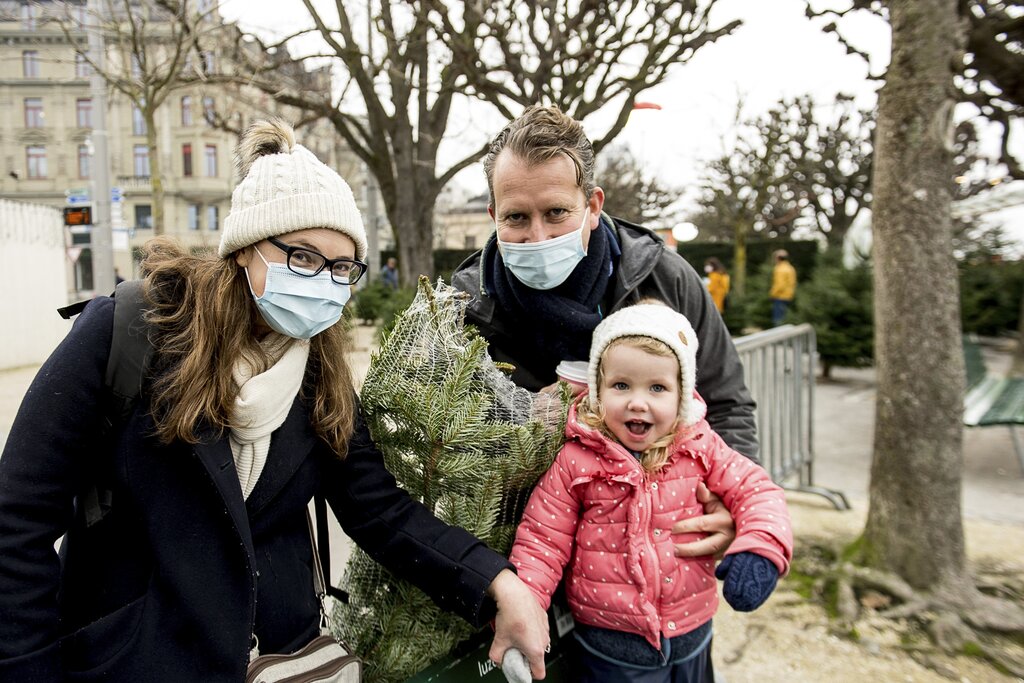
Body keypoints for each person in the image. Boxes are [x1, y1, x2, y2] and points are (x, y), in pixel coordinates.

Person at [0, 119, 548, 682]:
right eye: (303, 257)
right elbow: (18, 521)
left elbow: (378, 508)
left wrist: (495, 584)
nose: (324, 282)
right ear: (246, 249)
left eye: (341, 268)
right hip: (135, 660)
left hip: (274, 662)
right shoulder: (134, 332)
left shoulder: (318, 372)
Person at [451, 105, 759, 680]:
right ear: (492, 214)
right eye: (516, 217)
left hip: (655, 588)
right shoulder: (465, 309)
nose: (536, 236)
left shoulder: (663, 280)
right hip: (519, 578)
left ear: (593, 205)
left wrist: (731, 503)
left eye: (557, 213)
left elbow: (728, 401)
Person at [506, 302, 793, 682]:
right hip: (611, 648)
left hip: (694, 635)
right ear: (597, 389)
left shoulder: (699, 446)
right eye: (621, 385)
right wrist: (525, 612)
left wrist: (761, 548)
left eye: (657, 388)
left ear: (682, 395)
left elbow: (756, 490)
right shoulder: (577, 460)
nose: (637, 402)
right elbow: (543, 541)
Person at [769, 249, 797, 326]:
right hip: (789, 296)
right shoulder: (790, 268)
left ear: (778, 258)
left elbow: (780, 285)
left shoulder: (779, 269)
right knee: (785, 319)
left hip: (780, 297)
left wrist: (772, 294)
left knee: (778, 320)